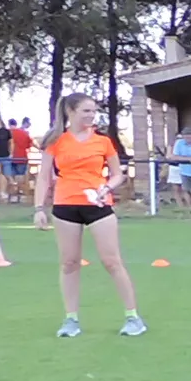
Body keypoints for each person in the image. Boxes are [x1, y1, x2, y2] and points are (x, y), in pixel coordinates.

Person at [32, 93, 146, 338]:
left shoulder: (103, 142)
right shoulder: (55, 141)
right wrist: (39, 208)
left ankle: (133, 317)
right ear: (70, 112)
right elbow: (43, 177)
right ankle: (71, 319)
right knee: (69, 263)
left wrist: (107, 186)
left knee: (112, 261)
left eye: (93, 111)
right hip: (65, 206)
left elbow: (118, 174)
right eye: (86, 111)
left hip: (98, 205)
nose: (91, 116)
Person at [9, 117, 33, 195]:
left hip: (11, 157)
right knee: (20, 174)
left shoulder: (10, 132)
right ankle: (19, 190)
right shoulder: (25, 133)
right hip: (22, 156)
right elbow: (30, 144)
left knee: (11, 174)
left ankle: (13, 191)